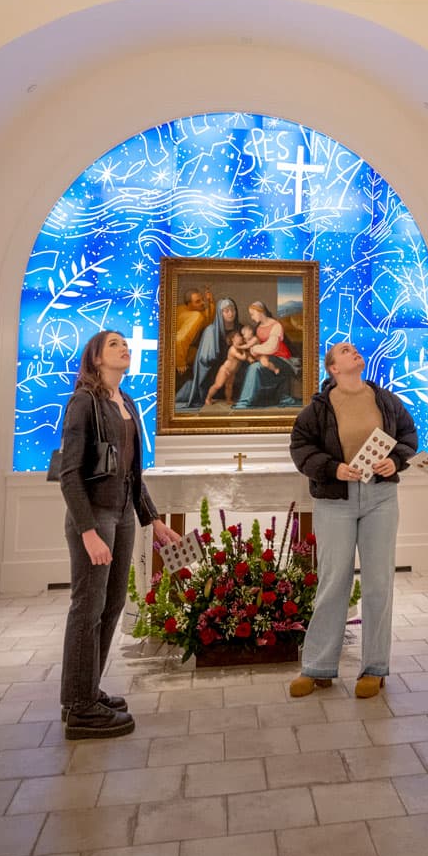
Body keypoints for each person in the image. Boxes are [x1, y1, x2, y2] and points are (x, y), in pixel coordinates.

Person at [59, 330, 182, 740]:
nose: (124, 348)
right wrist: (88, 531)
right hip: (93, 516)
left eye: (124, 344)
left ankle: (87, 689)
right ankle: (79, 708)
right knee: (87, 608)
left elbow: (131, 473)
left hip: (123, 515)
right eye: (113, 344)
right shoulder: (84, 401)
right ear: (95, 358)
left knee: (111, 606)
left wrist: (154, 520)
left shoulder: (126, 402)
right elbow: (70, 474)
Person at [288, 341, 417, 698]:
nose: (354, 351)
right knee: (333, 582)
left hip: (380, 497)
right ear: (332, 368)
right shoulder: (318, 408)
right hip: (335, 499)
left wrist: (397, 460)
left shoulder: (386, 400)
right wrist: (333, 468)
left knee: (377, 583)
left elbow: (408, 437)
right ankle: (317, 666)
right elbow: (300, 448)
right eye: (344, 351)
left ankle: (374, 668)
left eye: (354, 349)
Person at [175, 297, 240, 409]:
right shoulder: (211, 330)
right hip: (212, 374)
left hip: (234, 373)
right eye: (226, 311)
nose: (231, 313)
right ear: (220, 313)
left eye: (233, 310)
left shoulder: (241, 329)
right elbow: (204, 358)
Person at [232, 300, 297, 409]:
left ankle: (245, 401)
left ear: (260, 311)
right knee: (247, 366)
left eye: (252, 314)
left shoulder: (276, 325)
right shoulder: (259, 328)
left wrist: (255, 349)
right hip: (267, 356)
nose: (252, 318)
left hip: (281, 358)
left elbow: (272, 347)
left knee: (255, 368)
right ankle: (253, 398)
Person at [204, 324, 280, 406]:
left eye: (241, 336)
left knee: (229, 386)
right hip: (225, 370)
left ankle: (228, 400)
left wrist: (250, 359)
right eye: (238, 336)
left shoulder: (241, 348)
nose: (241, 337)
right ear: (233, 339)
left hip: (232, 373)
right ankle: (208, 398)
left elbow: (248, 357)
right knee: (218, 385)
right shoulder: (233, 349)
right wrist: (245, 352)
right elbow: (243, 357)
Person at [175, 286, 214, 382]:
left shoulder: (185, 309)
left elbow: (207, 320)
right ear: (189, 304)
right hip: (177, 352)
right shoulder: (196, 316)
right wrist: (180, 363)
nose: (202, 303)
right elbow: (179, 339)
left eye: (202, 300)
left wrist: (211, 303)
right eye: (198, 301)